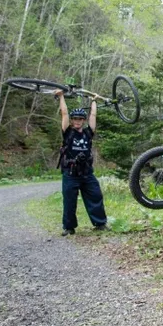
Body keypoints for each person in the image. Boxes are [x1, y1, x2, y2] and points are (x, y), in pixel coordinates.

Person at [54, 90, 108, 236]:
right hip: (70, 173)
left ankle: (100, 223)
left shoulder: (88, 133)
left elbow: (93, 115)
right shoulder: (68, 132)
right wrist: (61, 96)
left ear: (83, 120)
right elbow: (64, 113)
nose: (77, 121)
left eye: (80, 119)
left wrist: (94, 100)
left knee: (95, 196)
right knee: (70, 201)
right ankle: (69, 227)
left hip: (86, 172)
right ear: (72, 120)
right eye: (75, 119)